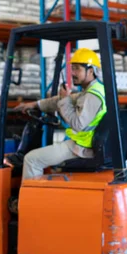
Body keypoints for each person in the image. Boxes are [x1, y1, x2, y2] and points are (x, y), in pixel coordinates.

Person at [13, 48, 106, 180]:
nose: (73, 73)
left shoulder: (92, 96)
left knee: (31, 159)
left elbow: (77, 124)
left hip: (82, 148)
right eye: (72, 68)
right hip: (84, 144)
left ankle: (30, 200)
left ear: (91, 71)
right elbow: (61, 101)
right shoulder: (94, 90)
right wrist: (35, 105)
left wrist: (65, 100)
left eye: (77, 69)